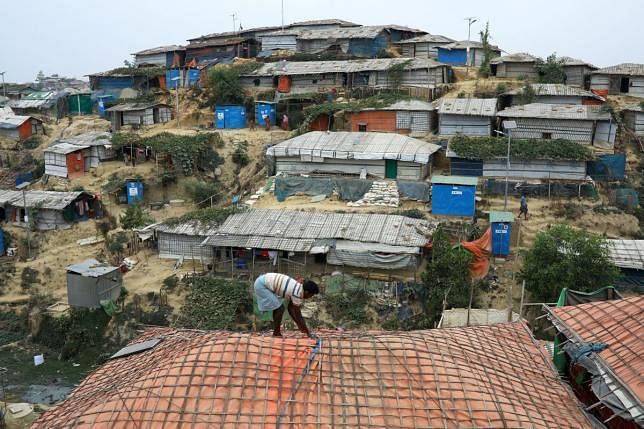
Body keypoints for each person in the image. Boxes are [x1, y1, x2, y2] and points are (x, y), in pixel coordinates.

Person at [254, 273, 319, 337]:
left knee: (279, 308)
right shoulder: (297, 293)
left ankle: (276, 332)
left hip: (263, 281)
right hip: (262, 285)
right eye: (311, 295)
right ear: (306, 292)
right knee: (280, 309)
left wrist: (299, 325)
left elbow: (290, 309)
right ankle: (276, 333)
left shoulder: (298, 288)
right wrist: (308, 332)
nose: (310, 297)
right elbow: (299, 316)